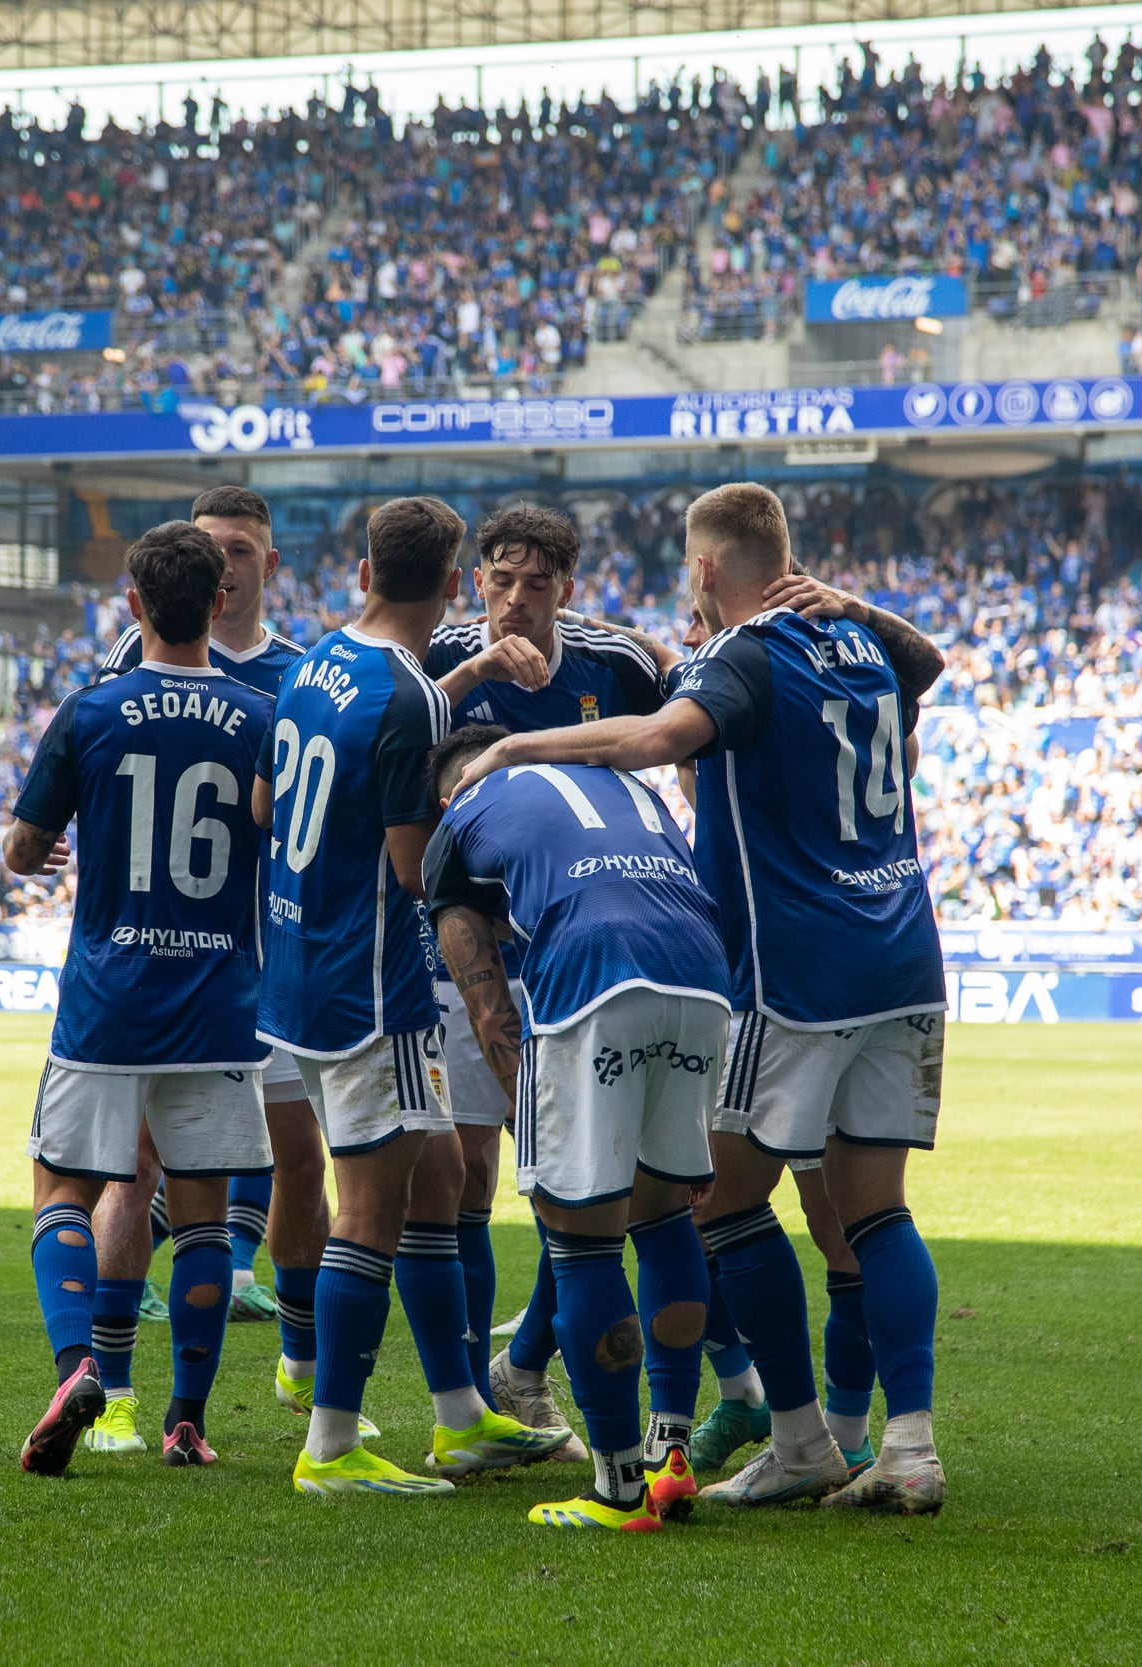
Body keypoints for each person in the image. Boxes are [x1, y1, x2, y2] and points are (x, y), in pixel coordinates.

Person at [448, 481, 952, 1514]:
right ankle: (908, 1448)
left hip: (793, 967)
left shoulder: (740, 654)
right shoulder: (858, 644)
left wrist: (511, 747)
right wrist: (854, 603)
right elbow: (929, 661)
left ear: (705, 571)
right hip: (904, 955)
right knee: (877, 1209)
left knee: (712, 1199)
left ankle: (802, 1436)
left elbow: (647, 742)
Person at [257, 494, 566, 1497]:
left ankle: (462, 1420)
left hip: (297, 967)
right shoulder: (411, 701)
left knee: (435, 1182)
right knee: (371, 1213)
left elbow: (267, 804)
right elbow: (410, 866)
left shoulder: (310, 664)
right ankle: (332, 1444)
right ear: (450, 586)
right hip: (373, 987)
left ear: (360, 572)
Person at [5, 521, 277, 1475]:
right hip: (216, 1000)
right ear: (218, 601)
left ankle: (80, 1364)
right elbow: (271, 836)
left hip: (108, 1000)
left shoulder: (89, 711)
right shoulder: (259, 718)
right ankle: (186, 1420)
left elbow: (22, 849)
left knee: (62, 1188)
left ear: (132, 603)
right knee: (203, 1213)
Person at [424, 724, 731, 1530]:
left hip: (597, 977)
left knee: (581, 1236)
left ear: (452, 787)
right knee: (665, 1217)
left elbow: (486, 1001)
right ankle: (672, 1455)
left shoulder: (460, 815)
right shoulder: (630, 786)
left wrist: (534, 1116)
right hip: (703, 973)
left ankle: (617, 1487)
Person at [83, 486, 332, 1458]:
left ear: (271, 566)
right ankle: (120, 1389)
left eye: (242, 548)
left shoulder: (303, 675)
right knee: (143, 1165)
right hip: (161, 971)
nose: (224, 563)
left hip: (269, 964)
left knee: (298, 1160)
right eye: (210, 546)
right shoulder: (128, 661)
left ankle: (305, 1362)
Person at [421, 504, 666, 1452]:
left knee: (586, 1172)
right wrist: (474, 670)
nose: (515, 601)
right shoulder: (445, 655)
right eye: (499, 580)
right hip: (461, 947)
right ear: (478, 578)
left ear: (568, 587)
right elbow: (390, 738)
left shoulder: (618, 664)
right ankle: (483, 1402)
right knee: (473, 1173)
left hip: (583, 950)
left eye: (537, 584)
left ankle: (518, 1369)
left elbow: (695, 717)